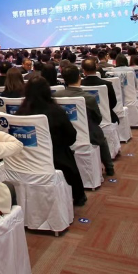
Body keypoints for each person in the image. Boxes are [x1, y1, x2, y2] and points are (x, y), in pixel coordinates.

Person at [16, 77, 86, 205]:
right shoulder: (56, 111)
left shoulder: (19, 113)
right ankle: (78, 196)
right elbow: (71, 137)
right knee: (66, 152)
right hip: (55, 160)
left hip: (27, 159)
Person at [54, 65, 115, 176]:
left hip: (64, 134)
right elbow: (98, 119)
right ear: (79, 77)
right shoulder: (89, 98)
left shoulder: (56, 96)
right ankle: (109, 167)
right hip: (88, 135)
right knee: (100, 135)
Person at [81, 58, 119, 125]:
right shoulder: (107, 84)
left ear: (83, 71)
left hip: (87, 118)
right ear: (96, 68)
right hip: (107, 116)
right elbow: (113, 102)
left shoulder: (80, 85)